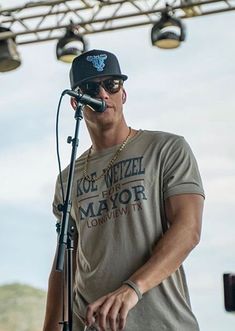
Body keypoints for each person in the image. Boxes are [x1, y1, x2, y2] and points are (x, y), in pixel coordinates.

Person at [43, 49, 205, 331]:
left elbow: (188, 229)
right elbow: (65, 262)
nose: (103, 94)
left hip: (162, 323)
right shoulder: (67, 177)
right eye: (91, 87)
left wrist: (132, 288)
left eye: (111, 85)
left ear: (123, 94)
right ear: (75, 103)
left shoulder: (167, 149)